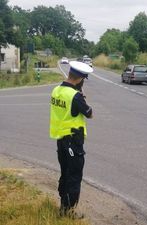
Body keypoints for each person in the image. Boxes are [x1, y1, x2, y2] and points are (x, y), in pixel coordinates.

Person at [49, 61, 93, 218]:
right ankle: (68, 212)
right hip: (73, 141)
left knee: (65, 173)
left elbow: (65, 109)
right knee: (74, 176)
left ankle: (63, 206)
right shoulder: (75, 97)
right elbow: (90, 113)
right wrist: (81, 96)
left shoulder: (56, 90)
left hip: (60, 139)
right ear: (80, 79)